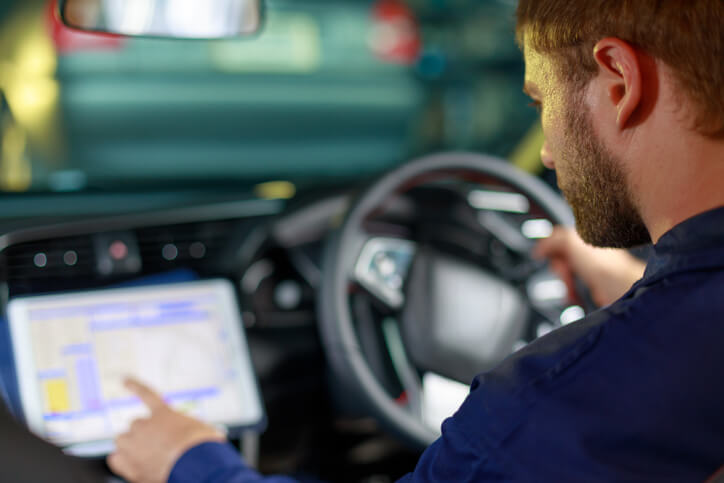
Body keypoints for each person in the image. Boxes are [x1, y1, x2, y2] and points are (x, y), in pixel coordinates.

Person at [109, 0, 724, 481]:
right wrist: (640, 287)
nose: (545, 151)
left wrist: (193, 461)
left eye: (542, 102)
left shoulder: (550, 410)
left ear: (618, 81)